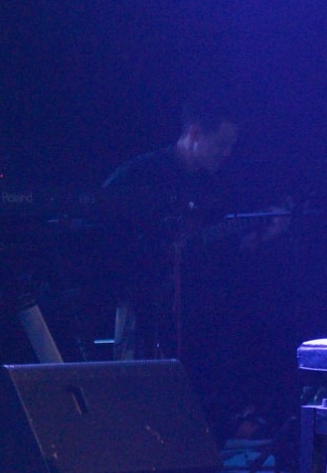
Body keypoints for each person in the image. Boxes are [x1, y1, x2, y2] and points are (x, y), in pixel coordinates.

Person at [94, 102, 246, 361]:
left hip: (194, 312)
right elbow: (101, 232)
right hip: (144, 306)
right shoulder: (141, 175)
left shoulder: (215, 183)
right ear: (194, 133)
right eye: (221, 144)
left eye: (231, 146)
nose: (227, 153)